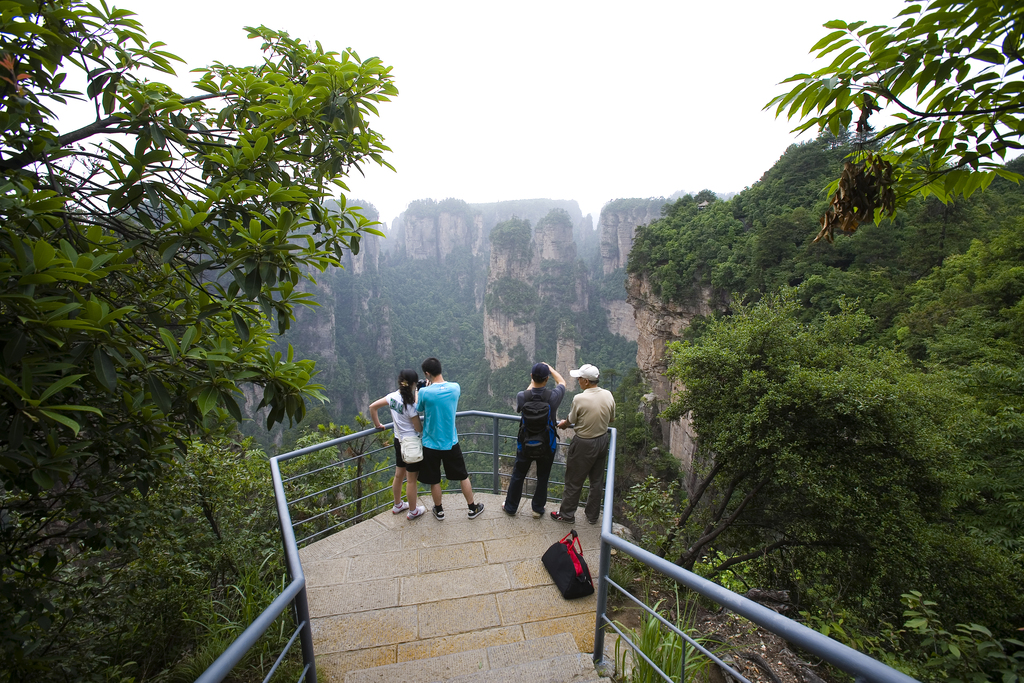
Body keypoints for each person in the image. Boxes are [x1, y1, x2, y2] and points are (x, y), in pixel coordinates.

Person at [416, 357, 484, 520]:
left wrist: (419, 390)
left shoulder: (425, 392)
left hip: (430, 444)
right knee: (463, 476)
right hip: (450, 442)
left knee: (434, 479)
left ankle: (439, 510)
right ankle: (472, 508)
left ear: (427, 374)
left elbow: (418, 408)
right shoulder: (455, 388)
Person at [552, 363, 616, 525]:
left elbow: (570, 421)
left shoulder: (579, 398)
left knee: (574, 480)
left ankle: (566, 515)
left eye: (579, 378)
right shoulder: (608, 394)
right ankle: (592, 515)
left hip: (584, 443)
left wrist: (563, 424)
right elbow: (611, 419)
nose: (578, 381)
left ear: (586, 381)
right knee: (596, 480)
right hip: (602, 440)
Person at [503, 362, 565, 518]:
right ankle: (537, 509)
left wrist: (533, 381)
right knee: (542, 477)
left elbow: (524, 399)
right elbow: (562, 382)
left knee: (518, 475)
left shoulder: (522, 396)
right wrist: (550, 368)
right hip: (547, 445)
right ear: (547, 379)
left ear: (531, 377)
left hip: (525, 444)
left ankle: (511, 507)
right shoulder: (553, 397)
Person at [369, 369, 426, 520]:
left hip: (398, 440)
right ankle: (413, 511)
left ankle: (398, 504)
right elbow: (418, 428)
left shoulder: (392, 397)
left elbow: (372, 407)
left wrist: (378, 424)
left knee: (398, 475)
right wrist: (418, 395)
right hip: (411, 444)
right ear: (413, 384)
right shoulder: (411, 406)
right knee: (411, 480)